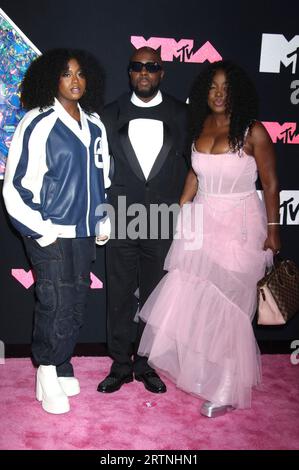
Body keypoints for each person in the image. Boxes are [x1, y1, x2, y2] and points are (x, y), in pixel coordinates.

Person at [137, 60, 281, 417]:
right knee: (197, 302)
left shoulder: (253, 131)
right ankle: (204, 375)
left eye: (226, 88)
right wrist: (183, 205)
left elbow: (271, 182)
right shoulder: (200, 126)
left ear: (236, 94)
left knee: (233, 307)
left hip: (240, 225)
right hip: (201, 220)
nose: (218, 93)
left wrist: (275, 229)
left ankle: (229, 387)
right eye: (213, 87)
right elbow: (195, 171)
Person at [3, 48, 111, 414]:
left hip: (83, 232)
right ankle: (46, 370)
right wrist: (41, 228)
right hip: (49, 231)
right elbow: (15, 186)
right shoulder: (37, 121)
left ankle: (61, 363)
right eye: (67, 74)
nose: (75, 80)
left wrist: (102, 217)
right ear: (53, 78)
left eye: (80, 73)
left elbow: (103, 178)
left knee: (77, 303)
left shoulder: (95, 123)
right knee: (55, 303)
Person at [97, 47, 189, 394]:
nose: (144, 72)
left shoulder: (182, 114)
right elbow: (98, 169)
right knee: (119, 295)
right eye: (137, 66)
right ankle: (120, 364)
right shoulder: (110, 113)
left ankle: (147, 364)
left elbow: (196, 167)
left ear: (162, 72)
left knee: (156, 296)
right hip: (120, 217)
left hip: (164, 219)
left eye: (152, 66)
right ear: (130, 72)